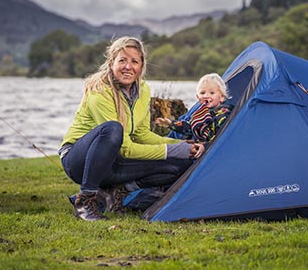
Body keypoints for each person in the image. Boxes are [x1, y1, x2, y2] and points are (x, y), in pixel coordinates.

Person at [58, 36, 204, 221]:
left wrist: (182, 145)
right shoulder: (100, 91)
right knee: (113, 129)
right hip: (79, 161)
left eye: (134, 61)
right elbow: (125, 148)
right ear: (111, 63)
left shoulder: (143, 90)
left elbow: (141, 134)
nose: (128, 66)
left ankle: (114, 193)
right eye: (122, 60)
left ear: (141, 66)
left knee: (179, 164)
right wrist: (174, 149)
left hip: (114, 162)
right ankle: (85, 201)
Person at [155, 73, 233, 144]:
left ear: (222, 97)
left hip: (210, 149)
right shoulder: (201, 112)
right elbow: (189, 127)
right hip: (198, 145)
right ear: (198, 97)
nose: (206, 96)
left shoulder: (223, 114)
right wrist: (170, 124)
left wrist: (204, 146)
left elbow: (218, 137)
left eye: (212, 93)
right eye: (202, 93)